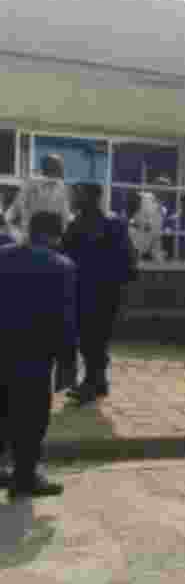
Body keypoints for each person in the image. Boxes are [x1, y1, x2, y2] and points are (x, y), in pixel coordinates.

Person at [0, 211, 76, 498]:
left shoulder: (2, 255)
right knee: (31, 419)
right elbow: (65, 319)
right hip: (33, 355)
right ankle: (25, 477)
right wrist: (67, 363)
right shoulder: (61, 266)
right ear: (57, 235)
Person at [61, 183, 138, 404]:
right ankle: (99, 382)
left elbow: (126, 258)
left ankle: (91, 384)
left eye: (78, 195)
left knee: (91, 339)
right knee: (95, 339)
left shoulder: (101, 224)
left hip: (95, 291)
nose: (73, 199)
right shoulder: (90, 223)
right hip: (98, 291)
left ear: (91, 198)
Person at [4, 154, 71, 238]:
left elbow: (66, 217)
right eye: (59, 166)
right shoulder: (30, 186)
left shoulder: (62, 188)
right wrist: (18, 235)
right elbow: (10, 215)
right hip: (33, 242)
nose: (62, 170)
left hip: (53, 242)